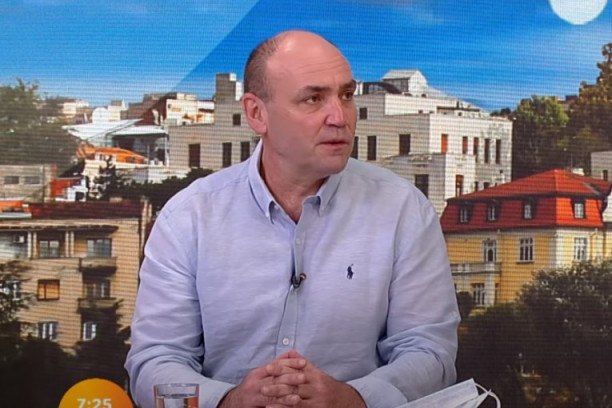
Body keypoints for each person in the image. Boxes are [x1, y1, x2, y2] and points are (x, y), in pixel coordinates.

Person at [125, 30, 460, 408]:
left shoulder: (403, 210)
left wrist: (352, 399)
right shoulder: (188, 217)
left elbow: (430, 353)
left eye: (346, 95)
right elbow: (156, 362)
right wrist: (229, 401)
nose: (340, 117)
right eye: (313, 99)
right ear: (257, 113)